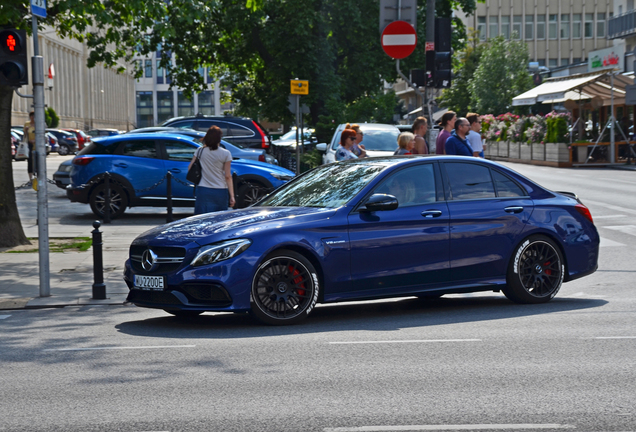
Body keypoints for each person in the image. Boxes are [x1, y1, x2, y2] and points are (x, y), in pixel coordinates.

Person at [189, 125, 235, 215]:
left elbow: (190, 167)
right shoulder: (226, 153)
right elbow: (228, 176)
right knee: (219, 220)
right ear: (219, 138)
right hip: (220, 190)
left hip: (203, 189)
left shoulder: (200, 151)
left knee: (202, 219)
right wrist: (232, 196)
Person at [23, 112, 36, 183]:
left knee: (39, 161)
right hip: (29, 146)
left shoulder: (39, 124)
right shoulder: (27, 124)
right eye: (32, 116)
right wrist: (25, 130)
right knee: (30, 162)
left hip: (38, 146)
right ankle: (31, 178)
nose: (33, 117)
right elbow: (24, 136)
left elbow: (43, 134)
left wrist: (35, 140)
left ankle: (38, 177)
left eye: (34, 116)